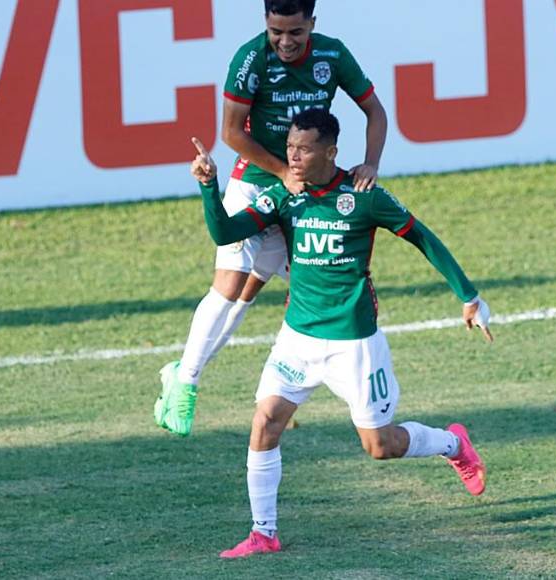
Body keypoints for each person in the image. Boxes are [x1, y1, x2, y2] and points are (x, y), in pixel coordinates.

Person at [190, 108, 494, 558]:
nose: (292, 156)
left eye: (304, 149)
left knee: (380, 446)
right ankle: (264, 532)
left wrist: (469, 296)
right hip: (298, 338)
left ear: (330, 151)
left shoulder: (364, 195)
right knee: (265, 422)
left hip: (354, 344)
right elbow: (225, 231)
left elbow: (423, 237)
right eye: (290, 146)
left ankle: (453, 443)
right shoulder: (284, 195)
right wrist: (208, 186)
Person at [154, 0, 388, 437]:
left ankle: (201, 374)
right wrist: (283, 171)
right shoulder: (249, 58)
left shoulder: (333, 55)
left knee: (250, 293)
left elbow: (375, 111)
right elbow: (230, 132)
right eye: (275, 31)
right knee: (227, 283)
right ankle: (186, 383)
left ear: (312, 25)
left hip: (301, 194)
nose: (284, 41)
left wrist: (370, 163)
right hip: (257, 182)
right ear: (266, 23)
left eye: (295, 32)